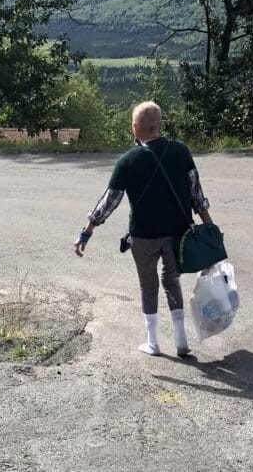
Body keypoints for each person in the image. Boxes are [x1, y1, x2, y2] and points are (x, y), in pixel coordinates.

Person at [74, 101, 214, 356]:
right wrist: (209, 227)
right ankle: (181, 337)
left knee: (148, 286)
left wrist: (88, 230)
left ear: (135, 127)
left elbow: (110, 201)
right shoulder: (181, 151)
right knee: (172, 281)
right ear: (159, 126)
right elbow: (196, 194)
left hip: (143, 236)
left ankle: (153, 342)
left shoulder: (127, 161)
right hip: (178, 234)